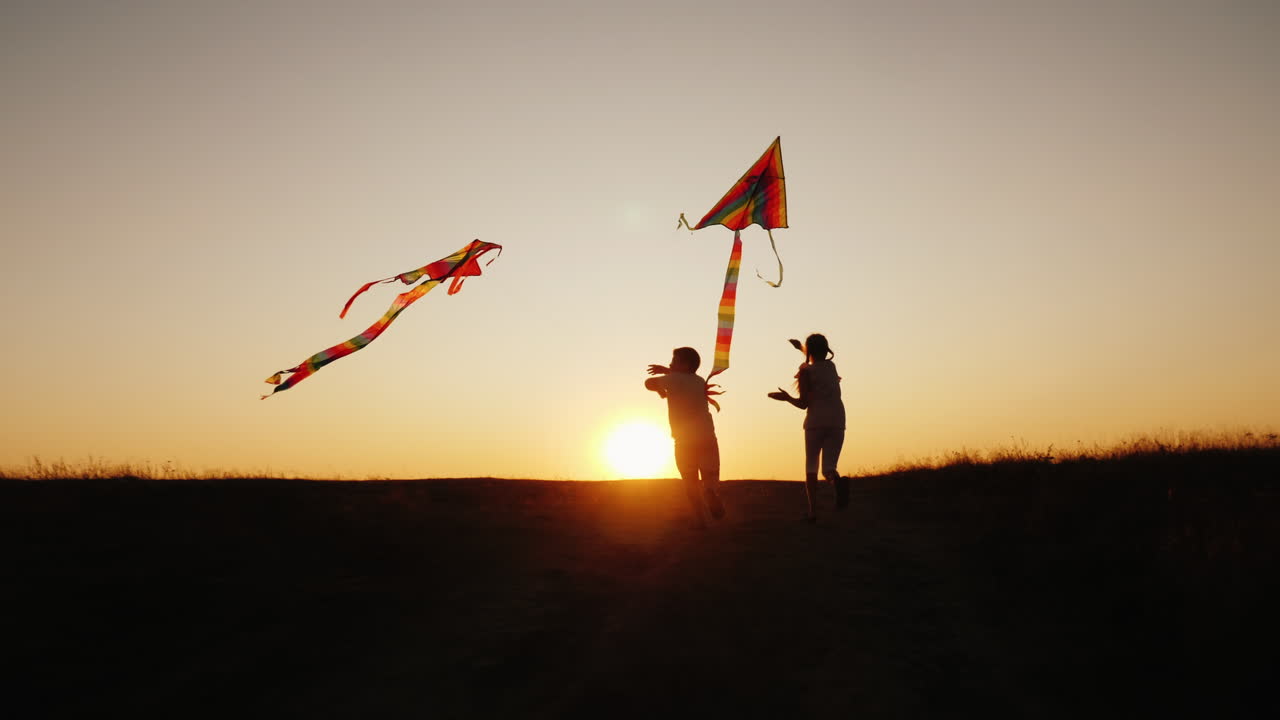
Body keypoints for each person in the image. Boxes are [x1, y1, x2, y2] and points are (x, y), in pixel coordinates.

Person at [768, 333, 848, 522]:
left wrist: (786, 398)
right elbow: (817, 360)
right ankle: (835, 481)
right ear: (826, 348)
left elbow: (804, 404)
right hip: (837, 420)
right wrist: (801, 348)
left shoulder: (806, 372)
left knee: (811, 466)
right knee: (829, 467)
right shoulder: (831, 367)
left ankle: (813, 511)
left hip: (815, 423)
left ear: (809, 350)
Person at [645, 347, 725, 528]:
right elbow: (682, 379)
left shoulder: (672, 380)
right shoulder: (699, 381)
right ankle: (711, 492)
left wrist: (660, 387)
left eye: (674, 360)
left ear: (685, 364)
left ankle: (700, 519)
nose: (670, 364)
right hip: (707, 437)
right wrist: (668, 374)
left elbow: (648, 383)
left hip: (684, 440)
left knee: (690, 481)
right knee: (709, 475)